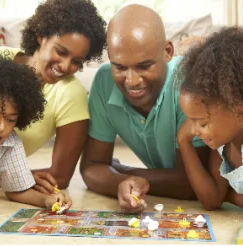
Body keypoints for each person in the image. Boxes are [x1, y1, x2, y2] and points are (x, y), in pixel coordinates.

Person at [80, 4, 210, 213]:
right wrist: (121, 183)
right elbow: (91, 168)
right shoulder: (104, 81)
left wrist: (121, 171)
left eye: (143, 66)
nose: (131, 81)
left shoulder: (189, 84)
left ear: (168, 52)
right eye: (120, 67)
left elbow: (191, 183)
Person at [0, 0, 106, 193]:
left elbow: (60, 177)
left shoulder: (71, 94)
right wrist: (15, 178)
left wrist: (12, 178)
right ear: (42, 36)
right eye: (61, 51)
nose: (66, 66)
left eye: (76, 61)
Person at [0, 53, 71, 208]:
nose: (1, 127)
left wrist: (46, 200)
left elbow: (16, 190)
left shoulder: (9, 145)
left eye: (10, 119)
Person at [176, 27, 243, 210]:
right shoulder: (224, 145)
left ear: (240, 112)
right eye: (191, 120)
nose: (195, 130)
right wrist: (183, 141)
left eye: (202, 122)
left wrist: (230, 196)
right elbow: (212, 200)